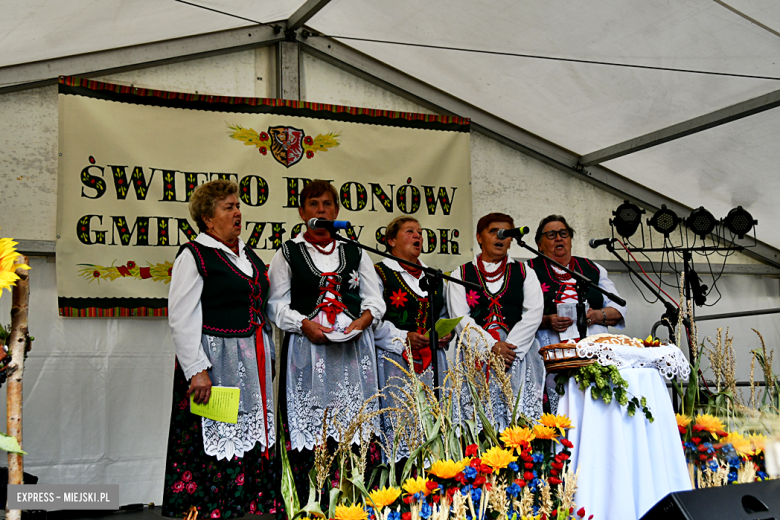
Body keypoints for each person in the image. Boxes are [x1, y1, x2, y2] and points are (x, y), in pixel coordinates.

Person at [162, 179, 276, 518]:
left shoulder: (247, 255)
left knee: (244, 436)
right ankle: (209, 510)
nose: (238, 213)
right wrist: (197, 370)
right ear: (208, 219)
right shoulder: (195, 255)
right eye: (229, 207)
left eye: (238, 206)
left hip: (250, 361)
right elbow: (181, 316)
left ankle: (239, 506)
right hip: (217, 362)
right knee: (218, 439)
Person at [267, 180, 385, 500]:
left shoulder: (354, 250)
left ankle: (354, 500)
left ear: (337, 210)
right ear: (302, 211)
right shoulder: (288, 252)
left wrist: (363, 320)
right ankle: (312, 501)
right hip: (308, 350)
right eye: (314, 204)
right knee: (315, 424)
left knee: (353, 423)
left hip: (352, 350)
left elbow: (374, 299)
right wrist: (303, 324)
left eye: (328, 204)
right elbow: (276, 305)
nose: (322, 209)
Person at [447, 212, 544, 430]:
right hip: (476, 357)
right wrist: (491, 348)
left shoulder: (524, 272)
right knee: (478, 420)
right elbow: (461, 319)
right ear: (479, 237)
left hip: (517, 356)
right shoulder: (460, 274)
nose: (500, 237)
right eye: (493, 232)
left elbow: (534, 312)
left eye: (506, 233)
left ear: (512, 239)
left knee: (517, 420)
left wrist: (509, 350)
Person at [528, 214, 626, 412]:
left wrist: (596, 315)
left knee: (596, 403)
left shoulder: (592, 269)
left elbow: (619, 309)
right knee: (559, 410)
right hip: (550, 351)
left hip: (594, 349)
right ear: (539, 244)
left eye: (563, 233)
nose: (559, 238)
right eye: (551, 234)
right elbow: (515, 315)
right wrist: (546, 320)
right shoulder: (527, 271)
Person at [373, 216, 452, 461]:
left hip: (433, 362)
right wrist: (403, 336)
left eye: (419, 232)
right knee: (401, 422)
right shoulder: (380, 273)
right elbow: (372, 320)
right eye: (410, 232)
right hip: (395, 361)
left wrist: (445, 332)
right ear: (391, 241)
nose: (418, 236)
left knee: (434, 420)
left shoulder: (434, 276)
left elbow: (444, 313)